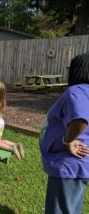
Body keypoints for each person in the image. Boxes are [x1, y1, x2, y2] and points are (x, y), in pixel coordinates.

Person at [40, 53, 89, 214]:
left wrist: (69, 141)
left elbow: (80, 119)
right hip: (78, 166)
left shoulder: (77, 91)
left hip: (68, 165)